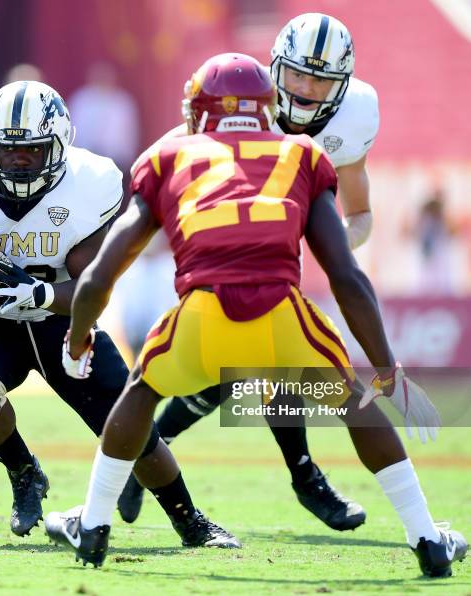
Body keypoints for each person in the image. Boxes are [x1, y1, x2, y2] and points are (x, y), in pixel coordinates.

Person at [51, 53, 467, 576]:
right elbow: (346, 276)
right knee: (358, 403)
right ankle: (427, 539)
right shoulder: (301, 154)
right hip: (282, 322)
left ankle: (92, 526)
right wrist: (387, 371)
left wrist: (78, 339)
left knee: (141, 391)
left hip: (202, 319)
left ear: (198, 112)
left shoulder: (169, 157)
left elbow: (100, 275)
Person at [0, 80, 238, 549]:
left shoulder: (86, 187)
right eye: (7, 152)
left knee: (129, 425)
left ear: (59, 147)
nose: (19, 162)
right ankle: (24, 472)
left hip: (64, 323)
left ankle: (191, 521)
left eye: (33, 152)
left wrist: (37, 293)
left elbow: (91, 286)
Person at [119, 12, 375, 532]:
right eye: (297, 74)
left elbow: (361, 214)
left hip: (276, 256)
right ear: (275, 68)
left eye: (321, 79)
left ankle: (144, 458)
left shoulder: (354, 118)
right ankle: (306, 480)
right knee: (237, 369)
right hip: (222, 252)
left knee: (235, 374)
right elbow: (157, 169)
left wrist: (327, 247)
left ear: (343, 86)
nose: (305, 90)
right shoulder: (243, 103)